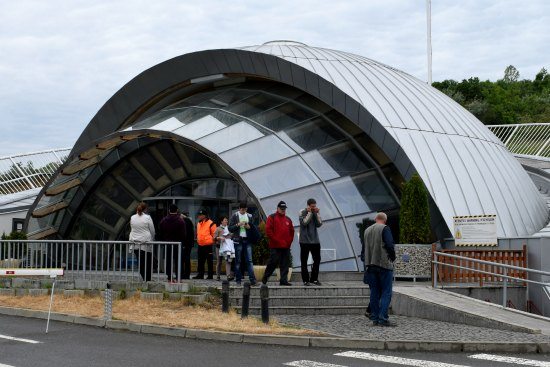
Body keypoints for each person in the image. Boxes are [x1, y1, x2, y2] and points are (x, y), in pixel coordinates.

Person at [360, 212, 396, 327]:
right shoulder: (384, 228)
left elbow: (363, 251)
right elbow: (390, 245)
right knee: (386, 292)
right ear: (385, 220)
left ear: (376, 219)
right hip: (383, 265)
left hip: (370, 266)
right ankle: (383, 319)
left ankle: (374, 318)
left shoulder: (366, 231)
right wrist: (392, 257)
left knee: (374, 292)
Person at [262, 201, 294, 286]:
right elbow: (268, 231)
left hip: (285, 246)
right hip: (275, 246)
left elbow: (292, 232)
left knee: (285, 263)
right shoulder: (272, 217)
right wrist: (277, 241)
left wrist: (289, 242)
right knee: (273, 261)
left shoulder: (288, 219)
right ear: (278, 208)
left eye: (284, 209)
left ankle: (283, 280)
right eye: (281, 209)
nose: (283, 210)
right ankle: (266, 277)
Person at [229, 202, 259, 286]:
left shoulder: (249, 216)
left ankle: (252, 280)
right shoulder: (235, 216)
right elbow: (230, 228)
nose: (243, 211)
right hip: (238, 240)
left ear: (246, 209)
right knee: (238, 261)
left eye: (244, 209)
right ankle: (238, 280)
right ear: (239, 208)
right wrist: (237, 225)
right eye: (241, 209)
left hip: (247, 240)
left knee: (249, 261)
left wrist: (249, 227)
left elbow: (253, 228)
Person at [158, 204, 187, 283]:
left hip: (168, 243)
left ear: (169, 210)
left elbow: (160, 232)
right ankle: (179, 278)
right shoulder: (181, 221)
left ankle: (169, 278)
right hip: (178, 244)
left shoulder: (163, 220)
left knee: (168, 261)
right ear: (177, 210)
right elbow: (184, 234)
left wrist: (163, 241)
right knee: (179, 261)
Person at [298, 198, 323, 286]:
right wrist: (309, 213)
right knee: (304, 261)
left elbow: (319, 224)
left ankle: (314, 279)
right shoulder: (302, 212)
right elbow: (304, 223)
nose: (314, 208)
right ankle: (305, 280)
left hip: (315, 241)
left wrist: (317, 213)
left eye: (315, 206)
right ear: (308, 206)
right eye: (312, 206)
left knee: (317, 259)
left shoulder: (315, 212)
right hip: (304, 241)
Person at [129, 202, 156, 282]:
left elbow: (132, 228)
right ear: (145, 209)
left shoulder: (132, 217)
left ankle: (144, 278)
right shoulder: (147, 217)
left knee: (140, 262)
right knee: (147, 262)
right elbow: (152, 230)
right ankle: (148, 279)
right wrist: (152, 238)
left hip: (135, 243)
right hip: (146, 243)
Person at [194, 209, 216, 279]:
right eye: (199, 215)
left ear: (205, 216)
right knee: (200, 260)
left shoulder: (211, 223)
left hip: (208, 245)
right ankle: (200, 274)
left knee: (209, 261)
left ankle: (210, 275)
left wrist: (211, 241)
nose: (199, 216)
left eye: (201, 215)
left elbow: (214, 234)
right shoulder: (198, 223)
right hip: (200, 244)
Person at [214, 216, 235, 281]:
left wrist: (231, 235)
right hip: (219, 247)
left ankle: (228, 275)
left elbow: (232, 235)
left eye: (227, 220)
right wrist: (220, 238)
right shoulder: (218, 228)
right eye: (225, 220)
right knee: (219, 261)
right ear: (221, 221)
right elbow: (214, 238)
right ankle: (218, 276)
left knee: (228, 260)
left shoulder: (229, 228)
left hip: (227, 247)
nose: (226, 221)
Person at [180, 211, 195, 279]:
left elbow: (185, 234)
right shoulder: (189, 222)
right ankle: (186, 274)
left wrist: (184, 244)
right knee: (187, 259)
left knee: (184, 259)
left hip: (185, 244)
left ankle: (183, 274)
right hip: (188, 244)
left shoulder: (185, 222)